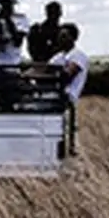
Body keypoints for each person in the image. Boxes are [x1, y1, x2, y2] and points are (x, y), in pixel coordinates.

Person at [47, 22, 88, 154]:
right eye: (60, 36)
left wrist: (52, 75)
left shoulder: (78, 55)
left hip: (66, 96)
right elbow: (44, 69)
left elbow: (67, 76)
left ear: (74, 38)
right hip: (55, 94)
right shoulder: (59, 56)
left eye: (65, 36)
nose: (60, 39)